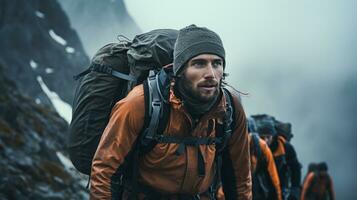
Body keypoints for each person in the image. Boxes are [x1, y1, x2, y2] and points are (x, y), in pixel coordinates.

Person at [90, 25, 252, 199]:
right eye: (199, 64)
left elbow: (240, 179)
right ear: (180, 70)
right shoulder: (140, 103)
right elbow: (105, 172)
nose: (211, 74)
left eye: (217, 63)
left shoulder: (230, 108)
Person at [253, 115, 301, 200]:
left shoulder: (285, 147)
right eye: (262, 137)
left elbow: (295, 169)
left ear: (274, 136)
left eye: (268, 137)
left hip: (282, 185)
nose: (266, 140)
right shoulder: (255, 148)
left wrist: (295, 189)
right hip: (262, 188)